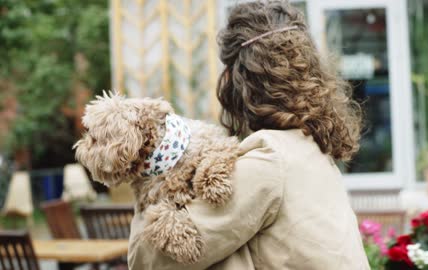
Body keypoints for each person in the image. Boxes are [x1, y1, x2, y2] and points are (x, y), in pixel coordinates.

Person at [128, 1, 369, 269]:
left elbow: (150, 259)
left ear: (237, 79)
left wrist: (149, 179)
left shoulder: (268, 161)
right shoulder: (311, 150)